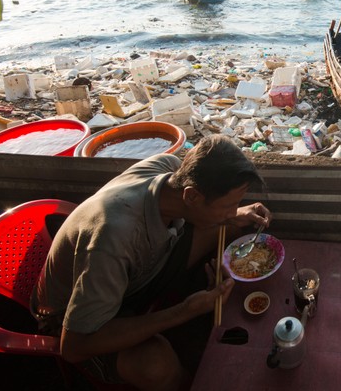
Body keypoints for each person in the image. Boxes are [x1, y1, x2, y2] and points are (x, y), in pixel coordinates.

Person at [31, 135, 271, 391]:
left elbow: (220, 217)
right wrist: (185, 310)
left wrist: (235, 214)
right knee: (155, 364)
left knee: (236, 227)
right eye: (229, 204)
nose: (234, 209)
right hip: (75, 322)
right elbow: (74, 347)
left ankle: (184, 312)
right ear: (191, 197)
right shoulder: (114, 238)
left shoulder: (168, 168)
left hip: (133, 277)